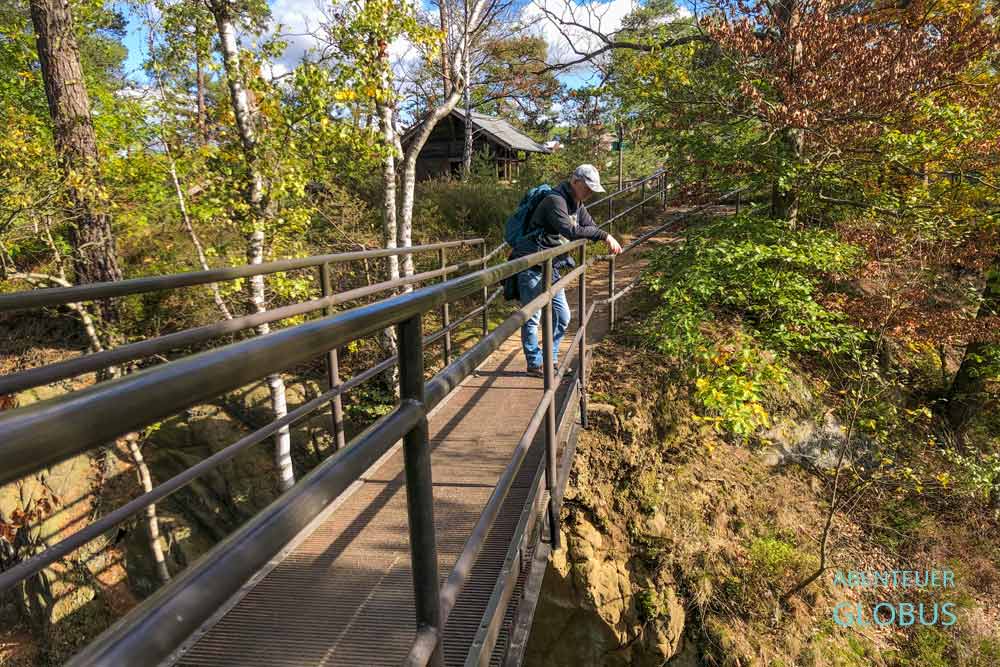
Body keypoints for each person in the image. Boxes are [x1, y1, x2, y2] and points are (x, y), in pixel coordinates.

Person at [511, 164, 623, 377]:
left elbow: (590, 225)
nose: (589, 193)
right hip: (531, 264)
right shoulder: (556, 200)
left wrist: (601, 233)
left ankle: (550, 360)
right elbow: (571, 231)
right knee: (533, 316)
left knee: (562, 316)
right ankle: (535, 364)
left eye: (592, 189)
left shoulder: (576, 202)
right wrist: (604, 236)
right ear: (575, 181)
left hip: (550, 265)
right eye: (587, 188)